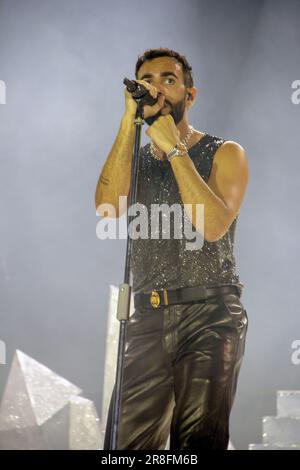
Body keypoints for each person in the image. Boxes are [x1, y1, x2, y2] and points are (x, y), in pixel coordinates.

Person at [95, 47, 249, 450]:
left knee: (196, 445)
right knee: (124, 447)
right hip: (146, 316)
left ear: (190, 94)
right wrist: (129, 124)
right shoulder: (136, 158)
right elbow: (108, 207)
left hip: (209, 316)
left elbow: (213, 227)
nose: (158, 88)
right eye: (148, 81)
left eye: (168, 79)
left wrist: (176, 150)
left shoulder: (225, 152)